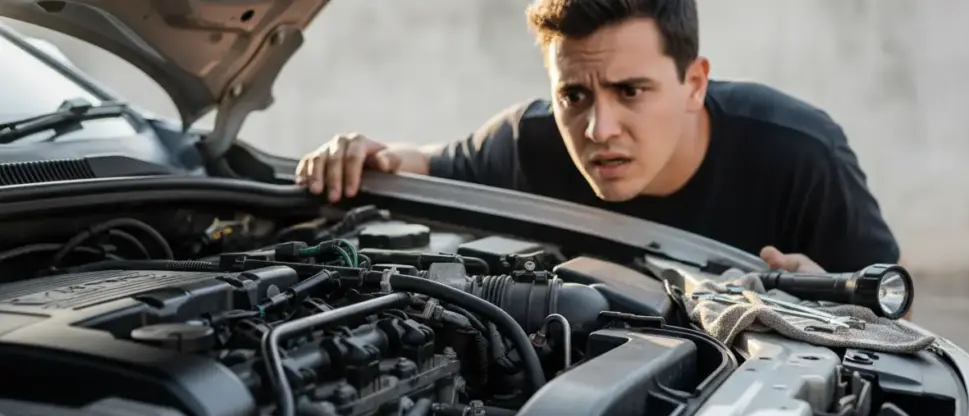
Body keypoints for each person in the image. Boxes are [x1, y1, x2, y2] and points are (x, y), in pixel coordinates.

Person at [294, 0, 904, 276]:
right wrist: (366, 155)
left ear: (694, 83)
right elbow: (429, 165)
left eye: (631, 91)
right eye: (574, 96)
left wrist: (830, 304)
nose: (598, 130)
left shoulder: (799, 153)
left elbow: (896, 315)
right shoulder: (531, 141)